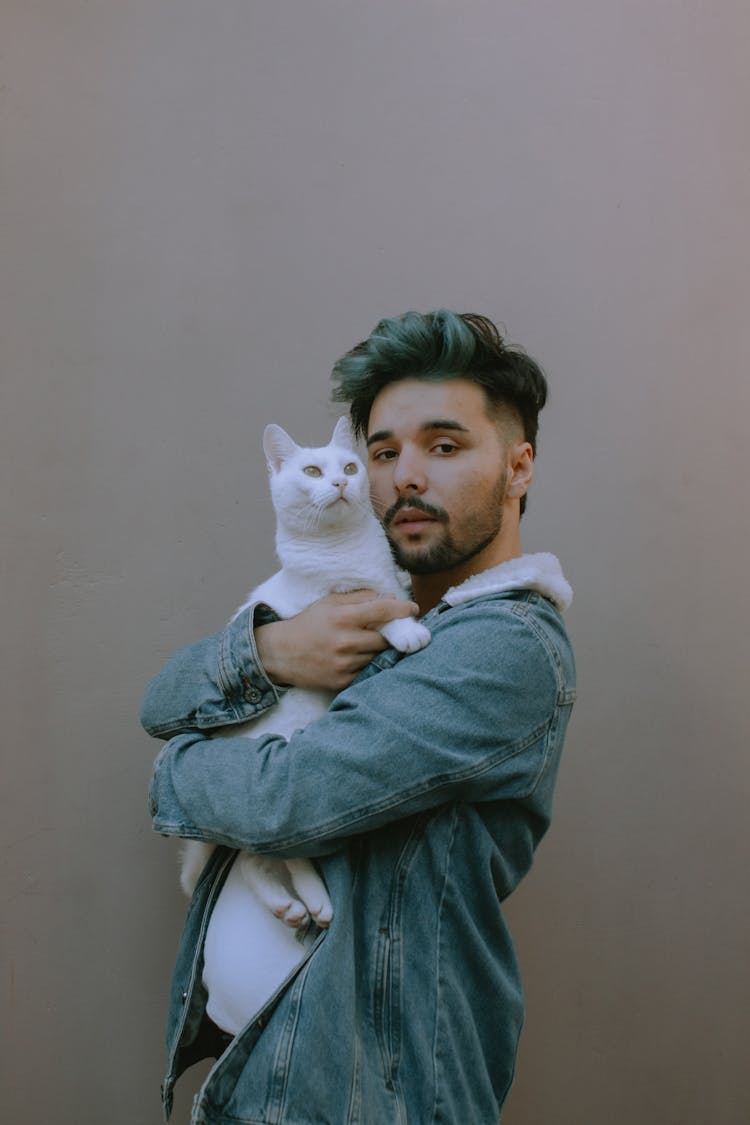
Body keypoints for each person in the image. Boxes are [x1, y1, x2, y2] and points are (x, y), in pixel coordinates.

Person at [142, 309, 576, 1124]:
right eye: (383, 451)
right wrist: (275, 652)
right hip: (257, 1071)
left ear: (518, 468)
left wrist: (175, 768)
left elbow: (289, 800)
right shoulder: (363, 619)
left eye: (444, 446)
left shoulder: (502, 643)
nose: (403, 477)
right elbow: (160, 697)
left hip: (365, 1098)